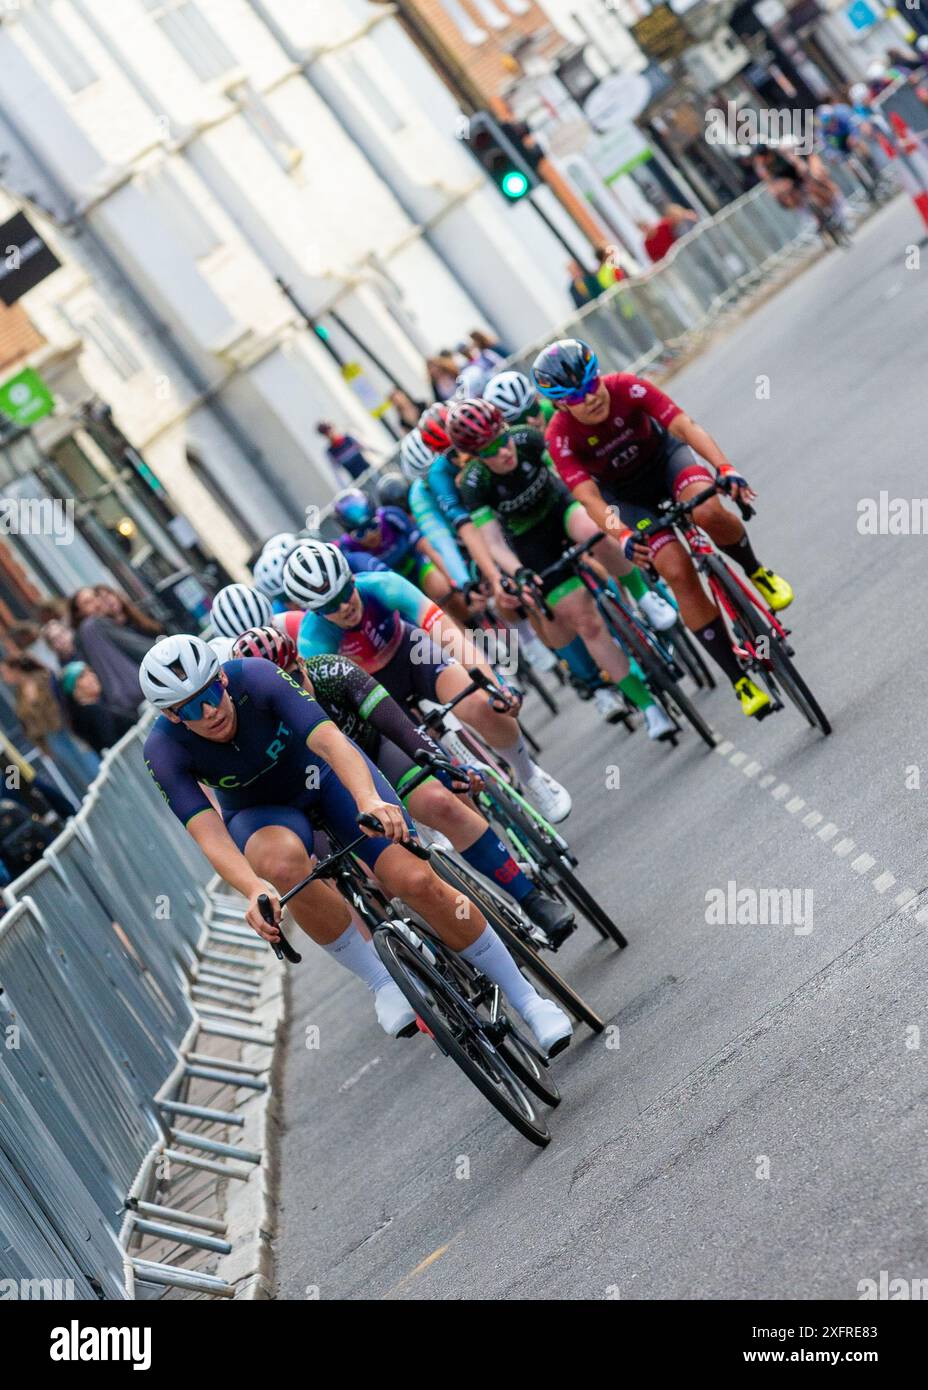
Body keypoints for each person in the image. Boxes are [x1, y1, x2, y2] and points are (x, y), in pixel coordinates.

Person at [140, 634, 572, 1051]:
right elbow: (207, 831)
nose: (210, 709)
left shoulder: (257, 676)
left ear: (223, 679)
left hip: (326, 776)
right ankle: (382, 981)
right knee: (279, 865)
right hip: (261, 812)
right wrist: (253, 890)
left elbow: (330, 741)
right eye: (191, 707)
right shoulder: (162, 749)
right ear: (173, 716)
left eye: (211, 692)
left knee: (416, 881)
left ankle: (529, 1001)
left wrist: (369, 799)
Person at [231, 625, 575, 945]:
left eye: (293, 678)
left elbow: (397, 724)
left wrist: (445, 766)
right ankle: (431, 957)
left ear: (302, 663)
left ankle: (529, 898)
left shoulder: (331, 672)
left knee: (440, 802)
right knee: (378, 874)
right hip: (321, 787)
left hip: (375, 751)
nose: (291, 692)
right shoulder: (256, 726)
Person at [534, 338, 794, 719]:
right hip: (627, 499)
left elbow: (684, 426)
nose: (590, 397)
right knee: (675, 569)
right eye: (576, 396)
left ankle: (757, 571)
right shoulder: (559, 437)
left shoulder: (625, 385)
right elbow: (590, 500)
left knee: (707, 511)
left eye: (592, 384)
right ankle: (739, 679)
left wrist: (724, 468)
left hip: (666, 463)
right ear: (559, 403)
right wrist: (621, 535)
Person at [280, 541, 573, 823]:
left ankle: (530, 775)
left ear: (351, 578)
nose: (344, 605)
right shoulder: (312, 641)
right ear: (314, 611)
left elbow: (450, 636)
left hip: (410, 654)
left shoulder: (382, 585)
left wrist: (494, 684)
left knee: (484, 706)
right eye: (330, 604)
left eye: (345, 591)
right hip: (369, 689)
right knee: (442, 784)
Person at [446, 398, 677, 740]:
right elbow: (493, 542)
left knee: (594, 531)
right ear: (475, 456)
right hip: (530, 542)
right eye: (490, 450)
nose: (504, 452)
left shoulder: (527, 438)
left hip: (561, 510)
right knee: (585, 622)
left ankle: (644, 597)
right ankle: (648, 706)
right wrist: (518, 572)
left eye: (502, 439)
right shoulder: (474, 483)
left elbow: (570, 479)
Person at [332, 488, 458, 608]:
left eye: (373, 525)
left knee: (442, 589)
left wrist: (452, 578)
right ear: (348, 534)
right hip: (390, 587)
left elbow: (425, 546)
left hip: (417, 567)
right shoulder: (347, 549)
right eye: (360, 533)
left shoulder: (390, 516)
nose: (370, 535)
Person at [68, 586, 161, 717]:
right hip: (138, 688)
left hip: (120, 702)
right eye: (87, 602)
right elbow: (136, 646)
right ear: (78, 612)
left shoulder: (80, 639)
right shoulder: (95, 624)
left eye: (95, 597)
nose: (95, 604)